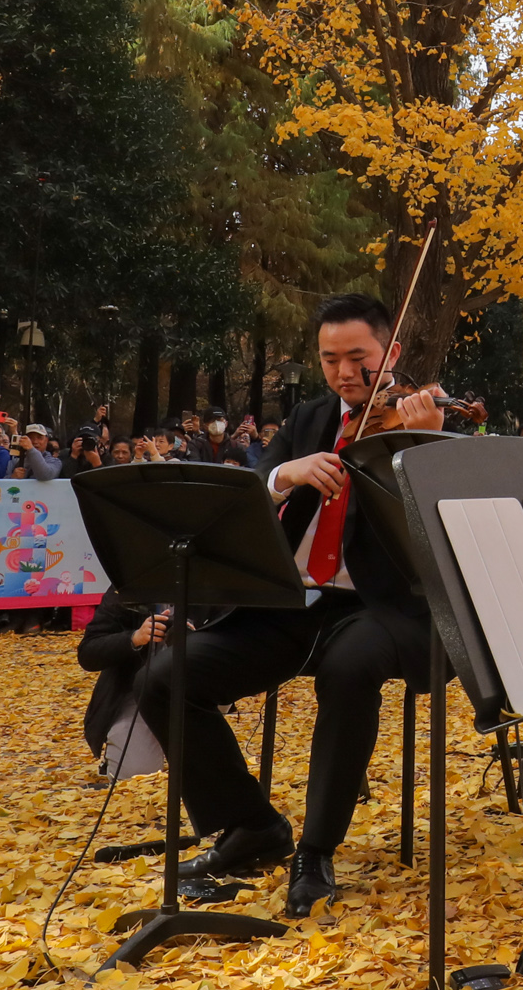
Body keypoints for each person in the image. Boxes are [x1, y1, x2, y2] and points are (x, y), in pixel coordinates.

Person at [85, 293, 446, 916]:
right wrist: (287, 474)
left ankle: (317, 849)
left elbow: (435, 535)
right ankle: (251, 826)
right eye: (330, 359)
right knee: (165, 674)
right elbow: (248, 490)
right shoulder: (307, 419)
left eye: (358, 358)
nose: (344, 373)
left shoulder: (424, 420)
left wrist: (420, 446)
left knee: (350, 667)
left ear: (389, 353)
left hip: (382, 609)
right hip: (287, 607)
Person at [76, 599, 298, 879]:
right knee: (135, 778)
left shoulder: (215, 583)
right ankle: (240, 822)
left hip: (200, 685)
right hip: (136, 694)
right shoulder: (129, 586)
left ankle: (236, 820)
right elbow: (88, 652)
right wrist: (134, 637)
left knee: (184, 701)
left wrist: (202, 638)